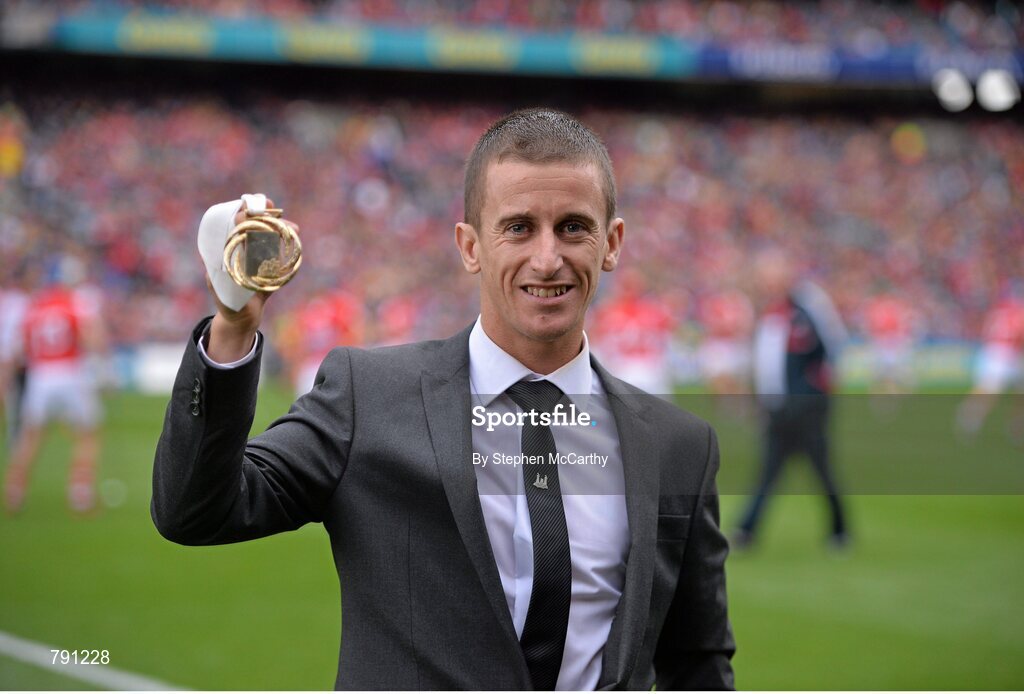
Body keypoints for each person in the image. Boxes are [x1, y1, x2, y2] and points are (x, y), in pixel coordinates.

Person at [152, 109, 735, 690]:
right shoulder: (369, 399)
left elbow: (698, 663)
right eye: (519, 227)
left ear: (612, 243)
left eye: (574, 228)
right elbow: (196, 511)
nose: (548, 258)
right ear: (470, 246)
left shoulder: (679, 447)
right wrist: (232, 327)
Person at [735, 248, 849, 549]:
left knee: (819, 469)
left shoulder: (807, 309)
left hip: (804, 408)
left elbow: (827, 353)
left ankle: (839, 530)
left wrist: (809, 397)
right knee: (769, 471)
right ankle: (747, 530)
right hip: (778, 409)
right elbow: (765, 365)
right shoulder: (769, 314)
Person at [4, 260, 107, 514]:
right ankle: (80, 493)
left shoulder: (33, 307)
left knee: (30, 436)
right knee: (87, 434)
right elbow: (92, 339)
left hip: (40, 375)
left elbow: (19, 349)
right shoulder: (74, 303)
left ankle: (14, 492)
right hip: (70, 371)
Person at [955, 294, 1024, 441]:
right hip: (1005, 353)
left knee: (989, 390)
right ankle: (971, 417)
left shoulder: (999, 312)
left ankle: (970, 416)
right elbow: (1019, 335)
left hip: (991, 351)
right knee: (990, 392)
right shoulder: (1018, 315)